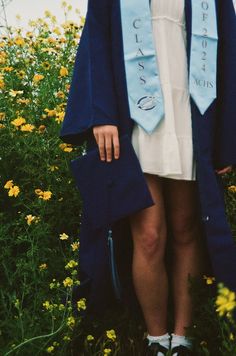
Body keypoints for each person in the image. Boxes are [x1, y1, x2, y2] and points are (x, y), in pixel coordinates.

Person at [59, 1, 236, 355]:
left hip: (191, 111)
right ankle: (156, 339)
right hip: (135, 117)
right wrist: (102, 114)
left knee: (186, 228)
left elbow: (228, 53)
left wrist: (224, 140)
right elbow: (97, 38)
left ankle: (181, 338)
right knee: (150, 234)